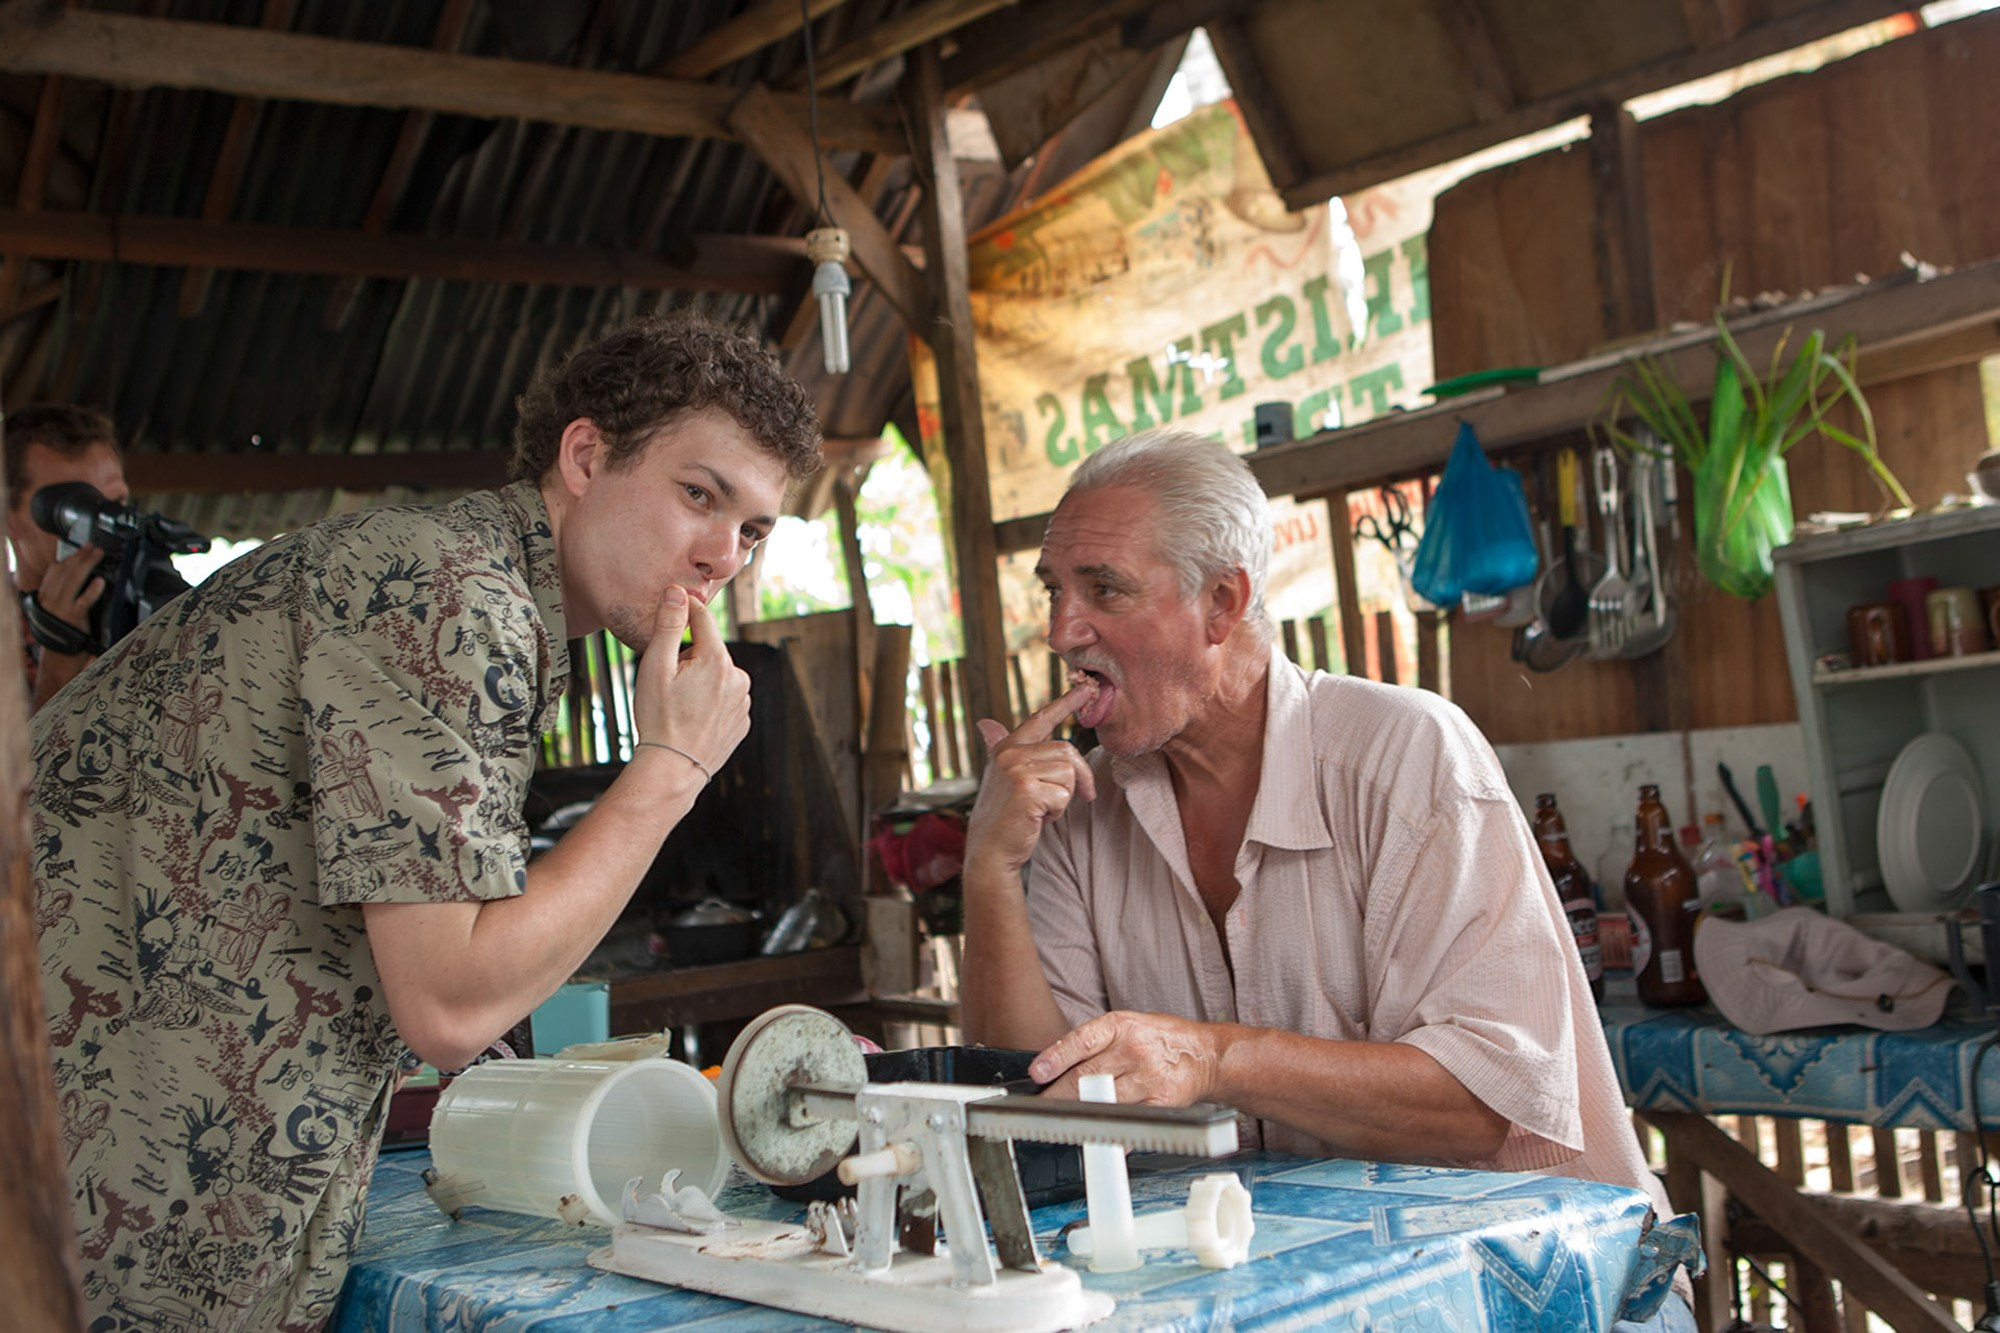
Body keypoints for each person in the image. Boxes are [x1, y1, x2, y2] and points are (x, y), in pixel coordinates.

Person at [29, 314, 823, 1330]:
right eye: (699, 494)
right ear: (585, 457)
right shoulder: (453, 597)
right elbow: (448, 1004)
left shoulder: (451, 578)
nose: (722, 555)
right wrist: (671, 766)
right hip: (108, 1207)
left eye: (752, 529)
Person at [960, 429, 1692, 1328]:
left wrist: (1213, 1057)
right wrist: (990, 869)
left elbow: (1485, 1107)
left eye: (1102, 588)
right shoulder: (1082, 817)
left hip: (1554, 1293)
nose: (1062, 631)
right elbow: (1042, 1116)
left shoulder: (1408, 756)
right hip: (1307, 1303)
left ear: (1222, 601)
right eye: (1055, 592)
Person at [5, 403, 129, 709]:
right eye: (74, 510)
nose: (103, 525)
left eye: (115, 504)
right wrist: (58, 667)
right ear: (9, 517)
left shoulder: (147, 612)